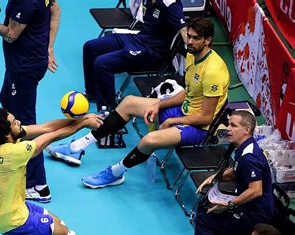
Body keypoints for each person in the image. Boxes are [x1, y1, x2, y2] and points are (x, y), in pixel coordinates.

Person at [47, 17, 229, 189]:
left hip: (200, 129)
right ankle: (76, 147)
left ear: (208, 40)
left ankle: (116, 173)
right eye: (188, 36)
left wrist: (174, 121)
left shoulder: (213, 71)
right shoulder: (192, 55)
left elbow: (206, 117)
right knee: (129, 103)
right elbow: (188, 94)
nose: (189, 42)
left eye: (195, 38)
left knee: (149, 140)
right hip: (183, 111)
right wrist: (159, 104)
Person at [179, 110, 274, 235]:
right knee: (204, 205)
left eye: (233, 125)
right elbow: (236, 171)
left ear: (247, 129)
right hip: (247, 205)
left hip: (255, 215)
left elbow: (256, 190)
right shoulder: (244, 147)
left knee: (205, 220)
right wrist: (215, 178)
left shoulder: (249, 157)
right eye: (228, 124)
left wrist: (228, 205)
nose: (228, 129)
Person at [0, 0, 61, 203]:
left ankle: (37, 185)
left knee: (25, 123)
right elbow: (55, 9)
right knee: (6, 99)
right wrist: (49, 47)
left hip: (25, 67)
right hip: (20, 63)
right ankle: (5, 147)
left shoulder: (26, 1)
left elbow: (10, 35)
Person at [83, 0, 186, 110]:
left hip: (151, 51)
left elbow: (184, 29)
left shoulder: (171, 3)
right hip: (137, 38)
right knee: (90, 47)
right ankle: (92, 93)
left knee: (102, 63)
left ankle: (108, 111)